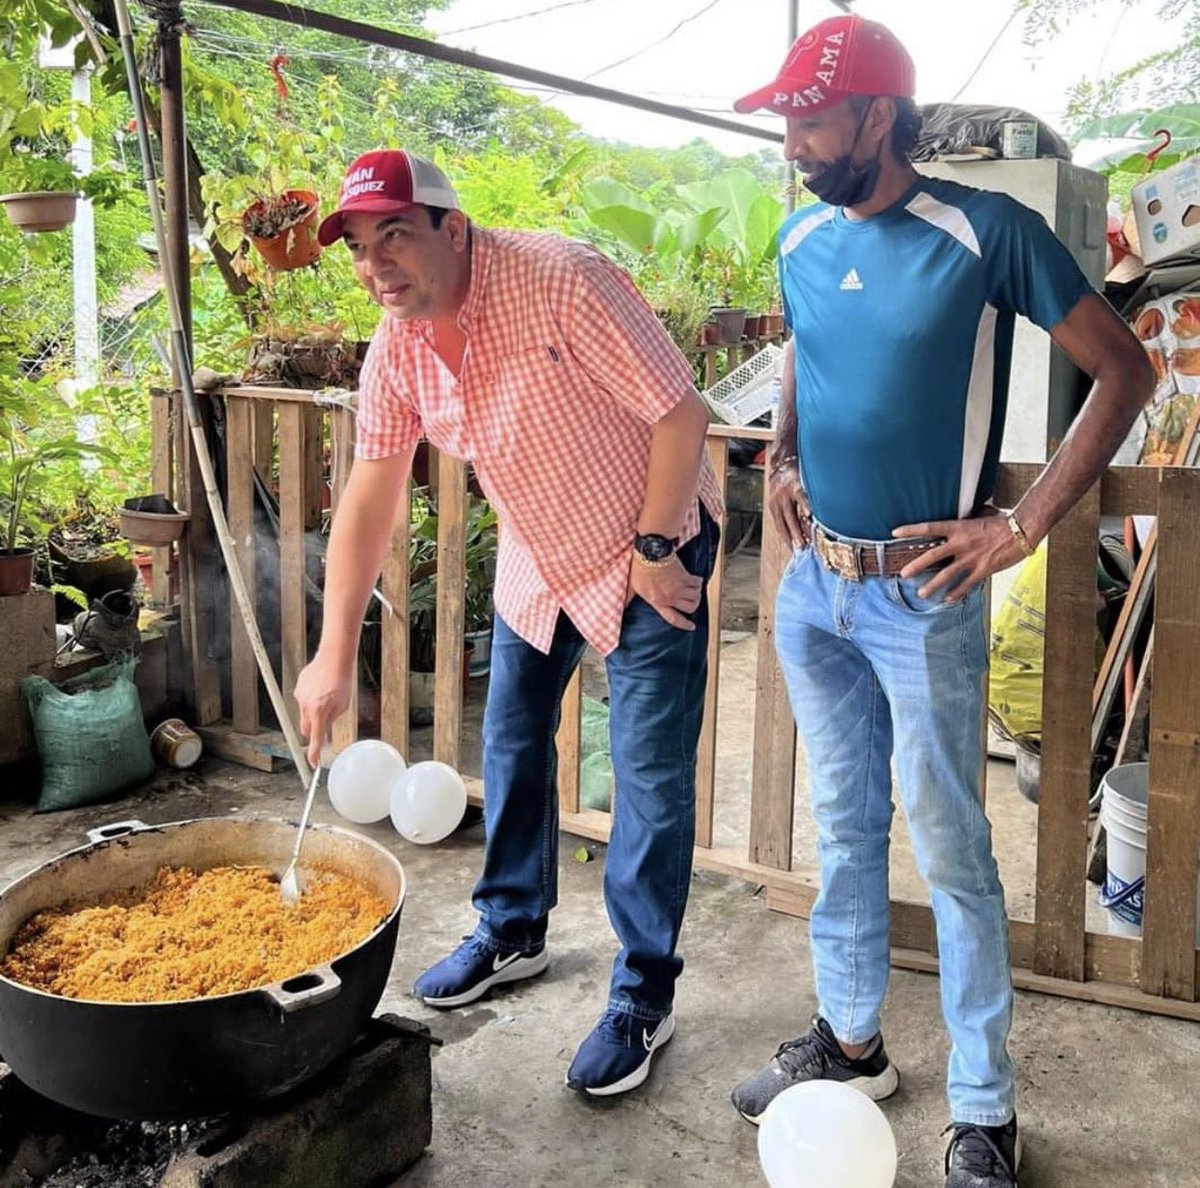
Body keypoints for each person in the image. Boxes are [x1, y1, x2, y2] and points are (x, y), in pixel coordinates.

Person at [726, 16, 1153, 1188]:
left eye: (812, 120)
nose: (793, 145)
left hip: (922, 598)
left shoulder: (986, 230)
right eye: (786, 124)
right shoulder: (798, 232)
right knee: (843, 825)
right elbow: (806, 350)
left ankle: (983, 1107)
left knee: (955, 849)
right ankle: (852, 1042)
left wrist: (1021, 525)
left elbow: (1125, 371)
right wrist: (784, 455)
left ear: (879, 116)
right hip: (817, 587)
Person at [293, 149, 723, 1098]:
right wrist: (330, 655)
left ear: (453, 227)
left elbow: (682, 416)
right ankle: (514, 927)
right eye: (358, 248)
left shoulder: (563, 279)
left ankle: (642, 993)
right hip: (540, 550)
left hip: (649, 544)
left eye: (394, 236)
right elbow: (369, 493)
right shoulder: (398, 345)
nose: (376, 265)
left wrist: (656, 549)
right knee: (513, 737)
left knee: (648, 776)